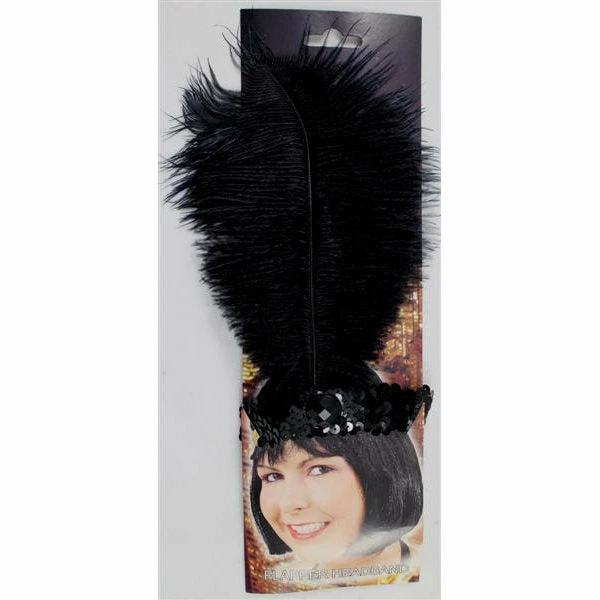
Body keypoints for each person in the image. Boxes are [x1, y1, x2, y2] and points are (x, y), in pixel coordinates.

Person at [249, 430, 423, 573]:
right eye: (273, 476)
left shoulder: (430, 576)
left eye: (319, 470)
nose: (289, 503)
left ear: (382, 474)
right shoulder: (277, 581)